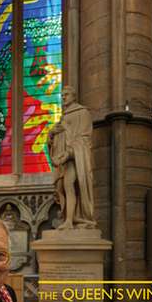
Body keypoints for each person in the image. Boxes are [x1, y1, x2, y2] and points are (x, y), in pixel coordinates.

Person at [48, 86, 96, 229]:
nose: (63, 97)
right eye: (62, 95)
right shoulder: (64, 116)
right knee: (61, 187)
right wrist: (51, 134)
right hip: (61, 160)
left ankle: (70, 221)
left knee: (69, 185)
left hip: (74, 159)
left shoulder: (83, 112)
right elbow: (55, 138)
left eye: (66, 94)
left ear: (74, 97)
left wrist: (68, 153)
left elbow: (84, 138)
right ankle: (69, 218)